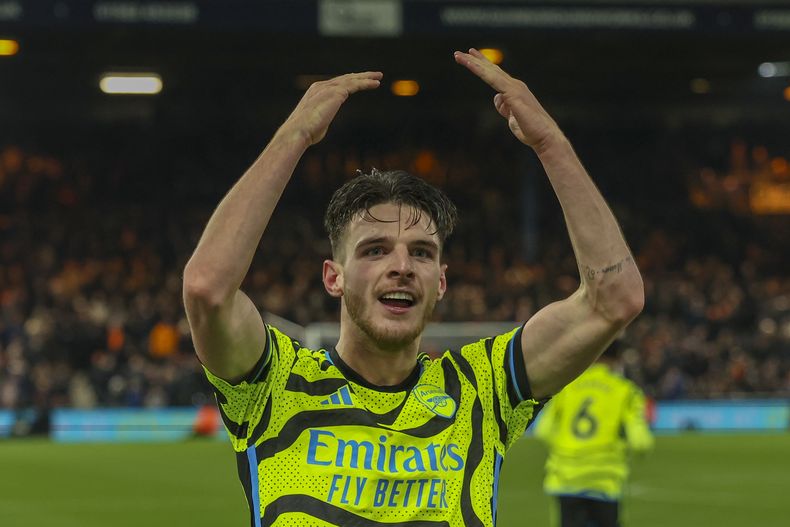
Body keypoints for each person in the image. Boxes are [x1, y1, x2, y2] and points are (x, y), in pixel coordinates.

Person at [182, 49, 644, 527]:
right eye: (375, 250)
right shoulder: (276, 384)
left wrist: (550, 144)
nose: (402, 266)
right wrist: (294, 137)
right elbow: (206, 289)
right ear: (333, 277)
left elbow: (615, 300)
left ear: (441, 281)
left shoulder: (483, 390)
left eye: (422, 252)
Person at [534, 340, 654, 527]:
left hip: (565, 478)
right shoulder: (625, 391)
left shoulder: (566, 387)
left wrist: (568, 450)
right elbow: (641, 442)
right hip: (603, 480)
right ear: (617, 359)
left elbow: (543, 431)